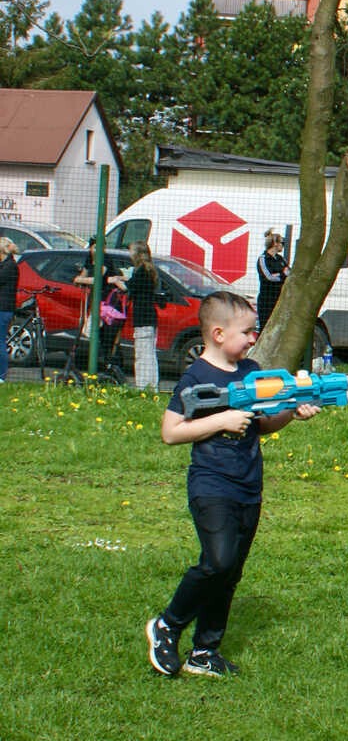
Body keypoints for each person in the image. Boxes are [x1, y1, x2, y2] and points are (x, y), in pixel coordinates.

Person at [144, 291, 322, 677]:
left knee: (231, 571)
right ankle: (168, 624)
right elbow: (171, 432)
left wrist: (294, 411)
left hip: (248, 485)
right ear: (219, 333)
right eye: (247, 331)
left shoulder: (250, 371)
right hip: (211, 484)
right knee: (218, 562)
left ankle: (205, 651)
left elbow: (263, 425)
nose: (253, 338)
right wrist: (221, 421)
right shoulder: (197, 377)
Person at [75, 237, 125, 375]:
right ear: (90, 248)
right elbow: (82, 276)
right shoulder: (88, 259)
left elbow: (98, 277)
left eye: (102, 247)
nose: (99, 251)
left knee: (108, 335)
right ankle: (101, 365)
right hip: (96, 302)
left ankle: (112, 366)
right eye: (95, 247)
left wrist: (82, 280)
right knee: (96, 334)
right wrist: (82, 279)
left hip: (108, 302)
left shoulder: (105, 259)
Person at [124, 241, 162, 390]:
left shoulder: (140, 271)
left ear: (138, 254)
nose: (130, 254)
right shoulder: (149, 270)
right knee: (150, 354)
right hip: (150, 317)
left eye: (132, 251)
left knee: (142, 354)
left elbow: (130, 288)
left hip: (142, 318)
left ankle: (143, 386)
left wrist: (117, 281)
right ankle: (152, 385)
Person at [255, 230, 289, 330]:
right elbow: (268, 277)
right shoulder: (263, 258)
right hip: (267, 299)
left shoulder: (281, 259)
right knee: (265, 328)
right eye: (282, 243)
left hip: (279, 298)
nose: (283, 246)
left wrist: (281, 275)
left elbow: (289, 273)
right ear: (275, 244)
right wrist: (283, 274)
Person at [0, 237, 17, 383]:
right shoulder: (5, 265)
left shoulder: (9, 266)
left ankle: (1, 376)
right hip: (3, 308)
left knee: (0, 341)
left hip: (3, 309)